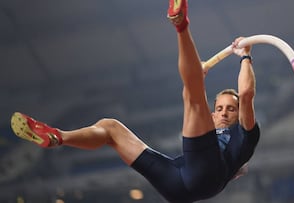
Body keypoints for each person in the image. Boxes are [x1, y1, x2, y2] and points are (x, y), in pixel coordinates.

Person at [10, 0, 260, 202]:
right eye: (219, 108)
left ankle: (181, 25)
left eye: (230, 109)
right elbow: (192, 96)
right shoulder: (208, 131)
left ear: (239, 115)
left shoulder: (244, 135)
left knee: (194, 95)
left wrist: (245, 56)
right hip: (176, 183)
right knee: (110, 128)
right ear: (214, 114)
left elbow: (246, 94)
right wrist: (196, 74)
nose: (224, 113)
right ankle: (59, 137)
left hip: (206, 176)